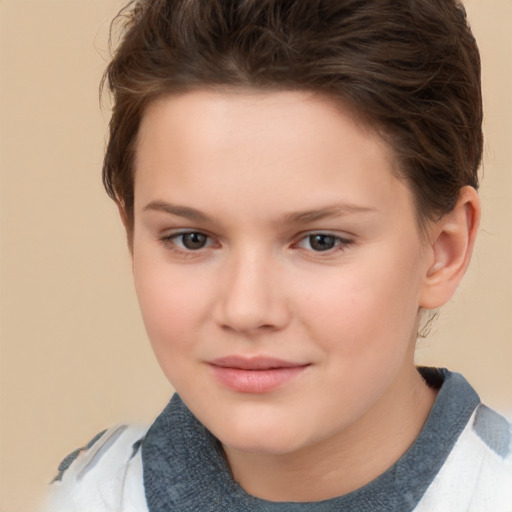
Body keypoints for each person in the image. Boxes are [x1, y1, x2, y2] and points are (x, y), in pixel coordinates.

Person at [44, 0, 512, 510]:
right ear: (132, 234)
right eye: (192, 239)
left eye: (321, 241)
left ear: (444, 251)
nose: (246, 310)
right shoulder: (83, 495)